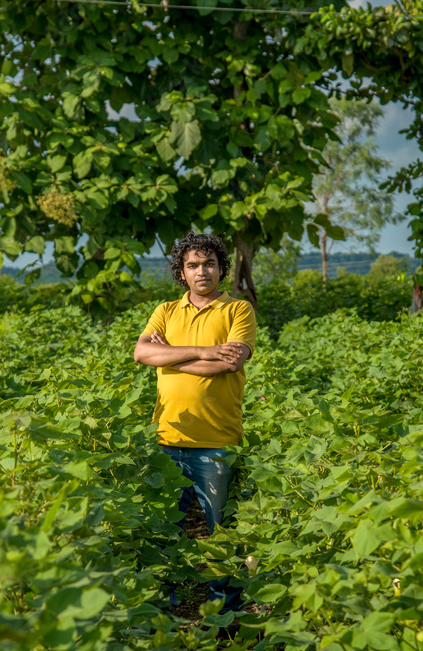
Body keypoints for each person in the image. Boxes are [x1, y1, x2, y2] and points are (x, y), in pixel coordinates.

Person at [132, 231, 256, 613]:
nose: (202, 271)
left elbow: (231, 362)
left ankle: (225, 614)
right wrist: (204, 351)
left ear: (220, 268)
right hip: (167, 438)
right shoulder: (166, 311)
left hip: (217, 440)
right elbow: (141, 353)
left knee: (221, 534)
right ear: (181, 272)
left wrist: (169, 356)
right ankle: (161, 612)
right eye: (193, 265)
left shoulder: (238, 311)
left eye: (209, 264)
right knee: (163, 531)